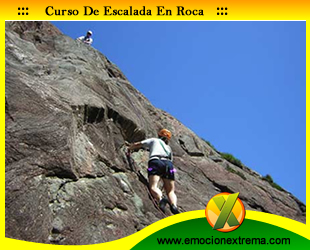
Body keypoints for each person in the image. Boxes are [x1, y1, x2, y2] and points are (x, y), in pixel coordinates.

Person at [128, 129, 180, 214]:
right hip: (168, 164)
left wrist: (130, 148)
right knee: (170, 191)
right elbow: (171, 160)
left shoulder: (154, 140)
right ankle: (174, 205)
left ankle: (161, 199)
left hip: (156, 162)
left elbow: (139, 144)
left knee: (153, 186)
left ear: (159, 135)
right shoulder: (168, 148)